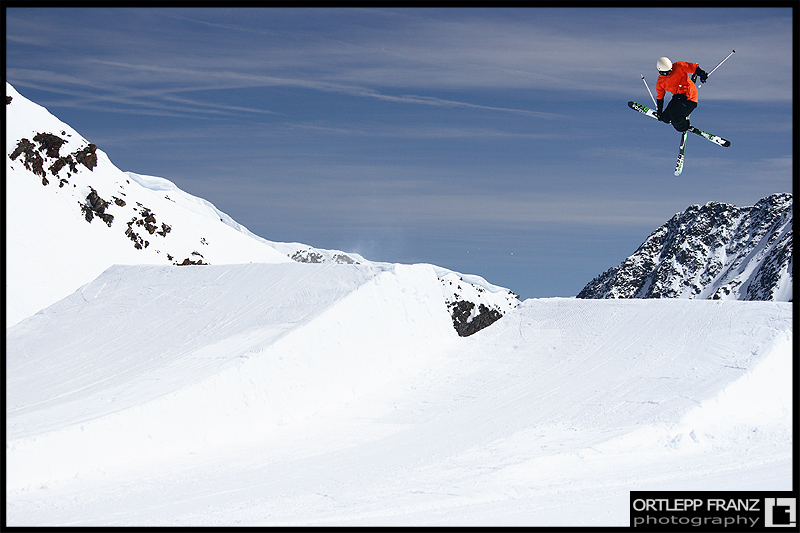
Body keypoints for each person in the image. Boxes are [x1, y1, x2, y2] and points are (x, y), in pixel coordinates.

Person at [655, 57, 708, 132]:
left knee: (676, 119)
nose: (668, 74)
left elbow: (693, 67)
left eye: (670, 71)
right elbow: (660, 96)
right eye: (665, 73)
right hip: (677, 98)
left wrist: (702, 74)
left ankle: (685, 126)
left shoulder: (679, 66)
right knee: (665, 118)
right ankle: (675, 119)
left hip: (689, 98)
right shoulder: (661, 82)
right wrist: (659, 111)